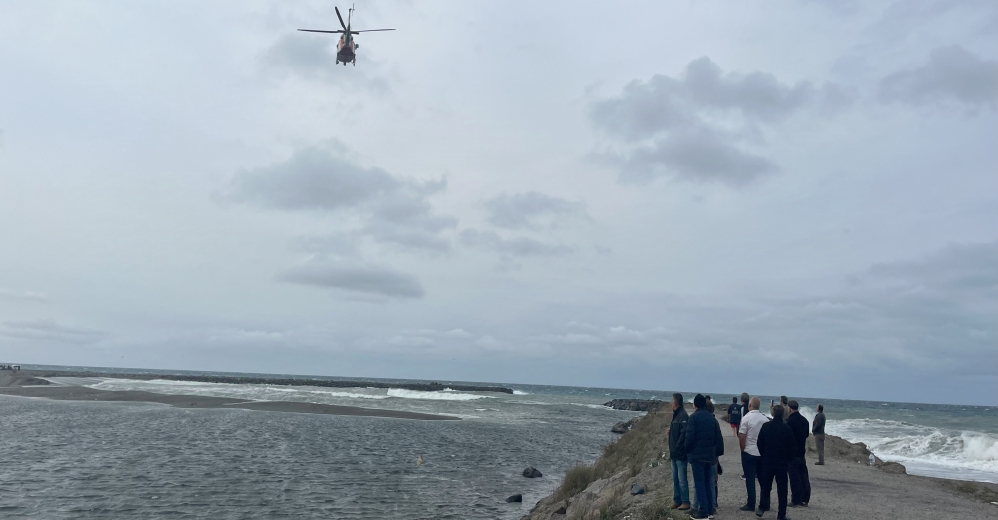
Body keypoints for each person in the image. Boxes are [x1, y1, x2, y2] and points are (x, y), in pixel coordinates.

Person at [684, 394, 723, 519]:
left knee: (699, 483)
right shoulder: (712, 419)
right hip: (710, 456)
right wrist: (715, 453)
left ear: (695, 405)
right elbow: (718, 438)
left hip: (697, 456)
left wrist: (687, 451)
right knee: (708, 483)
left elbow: (689, 438)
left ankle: (703, 512)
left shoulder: (693, 418)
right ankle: (710, 509)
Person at [757, 404, 794, 520]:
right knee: (782, 490)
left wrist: (764, 455)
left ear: (773, 413)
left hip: (768, 461)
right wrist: (787, 459)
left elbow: (759, 443)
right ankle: (781, 514)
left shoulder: (766, 426)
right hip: (782, 463)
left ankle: (762, 507)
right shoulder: (786, 428)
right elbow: (792, 448)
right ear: (783, 414)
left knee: (766, 486)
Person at [738, 397, 768, 513]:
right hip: (761, 453)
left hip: (749, 451)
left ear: (750, 405)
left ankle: (751, 504)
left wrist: (743, 449)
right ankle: (765, 503)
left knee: (750, 479)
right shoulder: (765, 419)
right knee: (763, 480)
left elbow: (742, 435)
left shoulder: (746, 418)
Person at [668, 393, 692, 511]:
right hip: (674, 453)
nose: (671, 402)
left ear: (676, 402)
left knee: (682, 479)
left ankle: (685, 501)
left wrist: (678, 447)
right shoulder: (676, 415)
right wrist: (671, 431)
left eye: (672, 400)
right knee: (675, 478)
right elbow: (678, 432)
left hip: (680, 454)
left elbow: (684, 435)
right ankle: (677, 500)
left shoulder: (683, 415)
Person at [786, 401, 811, 507]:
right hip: (801, 451)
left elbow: (788, 437)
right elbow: (806, 435)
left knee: (794, 477)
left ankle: (795, 499)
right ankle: (805, 498)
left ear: (790, 409)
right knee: (804, 475)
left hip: (792, 453)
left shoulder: (790, 421)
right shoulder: (805, 421)